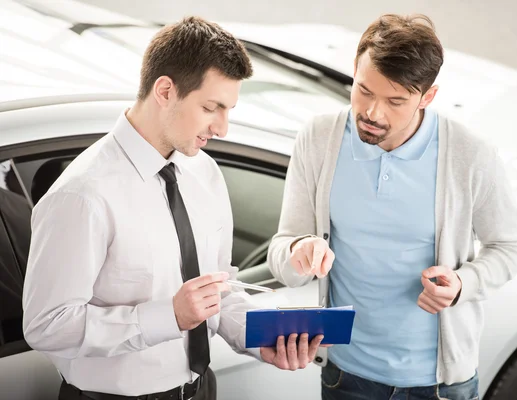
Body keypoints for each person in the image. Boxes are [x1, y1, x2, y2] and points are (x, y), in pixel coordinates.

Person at [22, 17, 323, 400]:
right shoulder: (83, 195)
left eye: (228, 109)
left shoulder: (204, 172)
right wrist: (168, 317)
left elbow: (219, 290)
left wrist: (257, 339)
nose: (223, 128)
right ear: (165, 90)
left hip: (201, 389)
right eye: (211, 107)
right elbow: (47, 325)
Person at [267, 13, 517, 400]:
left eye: (395, 101)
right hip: (347, 376)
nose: (373, 113)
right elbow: (282, 251)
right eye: (364, 91)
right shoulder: (319, 138)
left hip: (441, 386)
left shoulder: (470, 154)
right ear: (354, 70)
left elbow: (511, 248)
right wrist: (298, 252)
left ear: (427, 96)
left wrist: (462, 284)